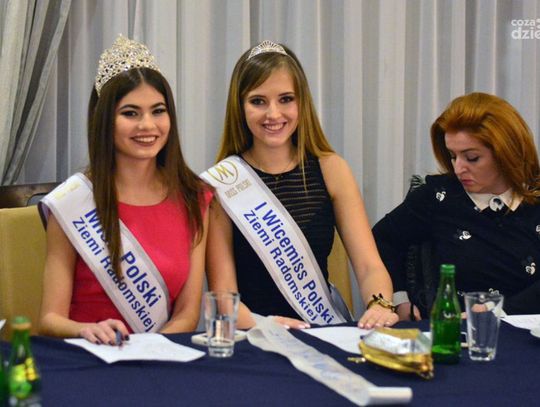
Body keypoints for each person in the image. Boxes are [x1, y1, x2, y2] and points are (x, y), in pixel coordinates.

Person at [202, 40, 398, 330]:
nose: (273, 114)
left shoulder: (332, 169)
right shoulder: (223, 184)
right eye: (258, 101)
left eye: (286, 99)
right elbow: (224, 298)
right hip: (256, 336)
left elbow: (370, 266)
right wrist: (266, 326)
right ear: (239, 107)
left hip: (322, 331)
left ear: (301, 102)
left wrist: (379, 304)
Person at [38, 35, 212, 344]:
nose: (148, 125)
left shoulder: (193, 196)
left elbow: (187, 314)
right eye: (130, 113)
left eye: (158, 111)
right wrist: (83, 329)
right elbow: (50, 319)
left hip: (161, 356)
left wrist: (146, 351)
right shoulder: (73, 202)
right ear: (104, 120)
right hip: (91, 353)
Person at [372, 92, 540, 319]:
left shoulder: (535, 201)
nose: (458, 168)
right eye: (452, 156)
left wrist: (499, 312)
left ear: (505, 154)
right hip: (453, 329)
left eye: (472, 158)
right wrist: (399, 299)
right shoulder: (438, 196)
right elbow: (381, 239)